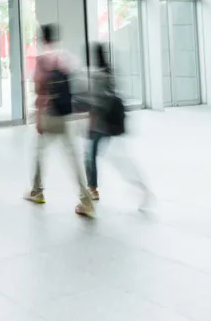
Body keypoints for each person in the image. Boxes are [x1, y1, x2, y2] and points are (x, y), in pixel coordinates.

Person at [24, 24, 95, 218]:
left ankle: (37, 191)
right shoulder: (65, 58)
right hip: (65, 114)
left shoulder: (41, 60)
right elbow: (78, 84)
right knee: (73, 158)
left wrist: (38, 118)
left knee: (40, 153)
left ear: (42, 39)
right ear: (55, 38)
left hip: (48, 114)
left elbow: (39, 91)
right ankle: (86, 200)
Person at [83, 43, 152, 209]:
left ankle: (93, 189)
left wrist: (90, 122)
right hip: (113, 124)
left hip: (100, 125)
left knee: (90, 157)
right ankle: (142, 187)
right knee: (121, 160)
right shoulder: (110, 72)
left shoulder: (96, 76)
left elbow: (96, 102)